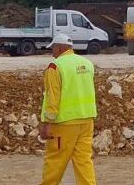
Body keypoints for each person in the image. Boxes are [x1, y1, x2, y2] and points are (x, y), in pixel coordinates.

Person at [39, 33, 97, 185]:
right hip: (87, 121)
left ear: (59, 48)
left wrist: (47, 124)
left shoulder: (55, 66)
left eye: (53, 48)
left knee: (55, 161)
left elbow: (53, 98)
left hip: (64, 124)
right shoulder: (87, 64)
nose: (52, 51)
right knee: (84, 161)